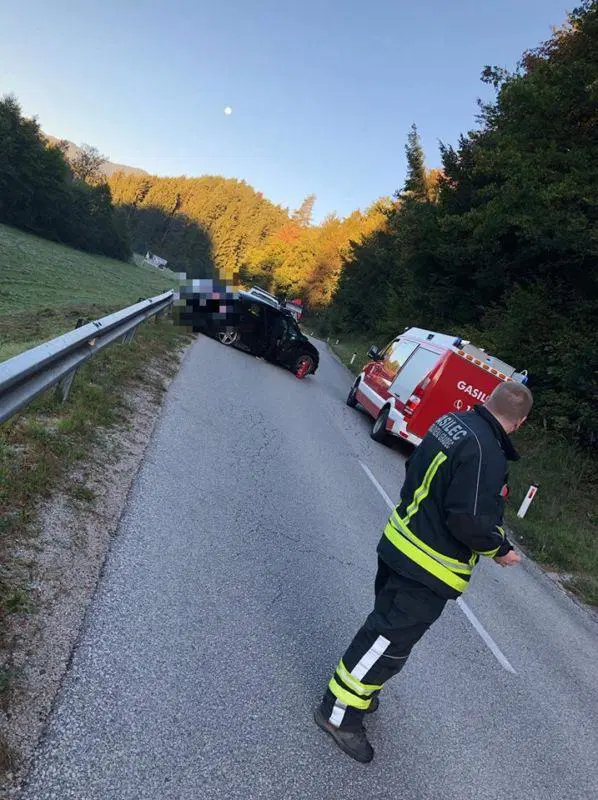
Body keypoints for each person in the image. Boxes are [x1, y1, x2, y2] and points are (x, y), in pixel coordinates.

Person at [314, 380, 533, 764]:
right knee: (386, 641)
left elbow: (416, 467)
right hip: (426, 566)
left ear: (487, 400)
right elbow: (470, 519)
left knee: (382, 629)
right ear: (521, 421)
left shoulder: (453, 422)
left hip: (400, 543)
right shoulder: (488, 453)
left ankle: (360, 691)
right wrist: (500, 550)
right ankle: (340, 715)